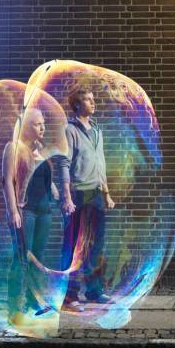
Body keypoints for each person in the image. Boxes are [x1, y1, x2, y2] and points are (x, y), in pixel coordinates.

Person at [57, 88, 115, 310]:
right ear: (77, 105)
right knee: (72, 246)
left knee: (96, 245)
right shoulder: (70, 130)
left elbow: (101, 163)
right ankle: (69, 295)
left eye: (93, 99)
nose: (93, 103)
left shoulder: (97, 130)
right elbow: (63, 163)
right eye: (88, 100)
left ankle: (94, 291)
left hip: (97, 193)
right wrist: (67, 197)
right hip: (78, 193)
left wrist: (106, 193)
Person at [2, 108, 58, 325]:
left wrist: (53, 188)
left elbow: (39, 178)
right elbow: (8, 181)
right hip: (26, 212)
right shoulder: (13, 148)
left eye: (43, 123)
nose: (43, 127)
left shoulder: (39, 150)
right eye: (37, 124)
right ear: (26, 126)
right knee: (21, 259)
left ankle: (34, 303)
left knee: (38, 259)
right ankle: (14, 309)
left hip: (44, 211)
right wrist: (13, 210)